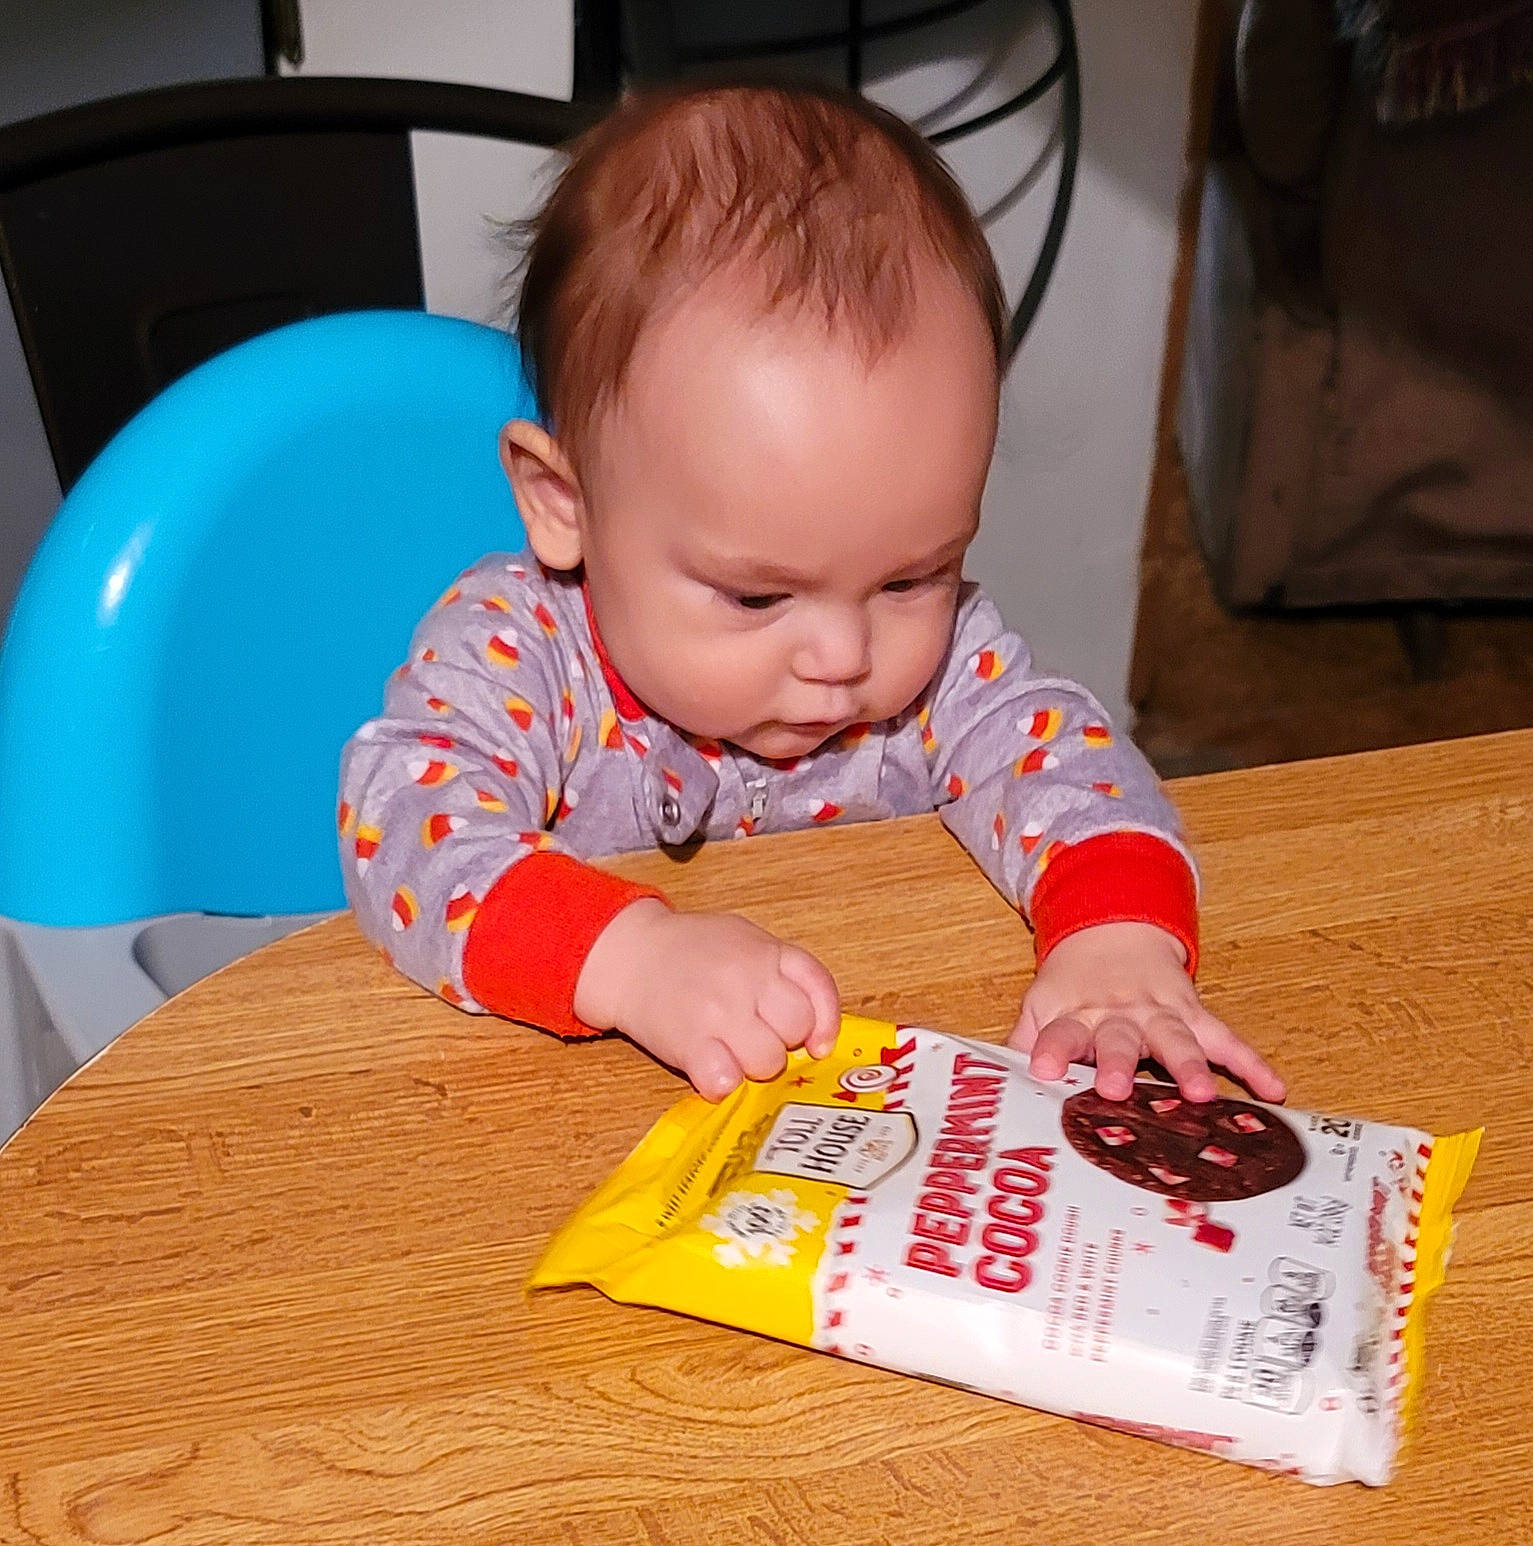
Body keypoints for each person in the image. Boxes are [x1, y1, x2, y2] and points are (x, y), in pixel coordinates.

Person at [339, 81, 1285, 1107]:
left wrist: (1115, 934)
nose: (844, 656)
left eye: (906, 576)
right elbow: (403, 824)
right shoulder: (521, 648)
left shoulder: (939, 669)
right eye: (756, 598)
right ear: (563, 503)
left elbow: (1062, 759)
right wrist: (630, 959)